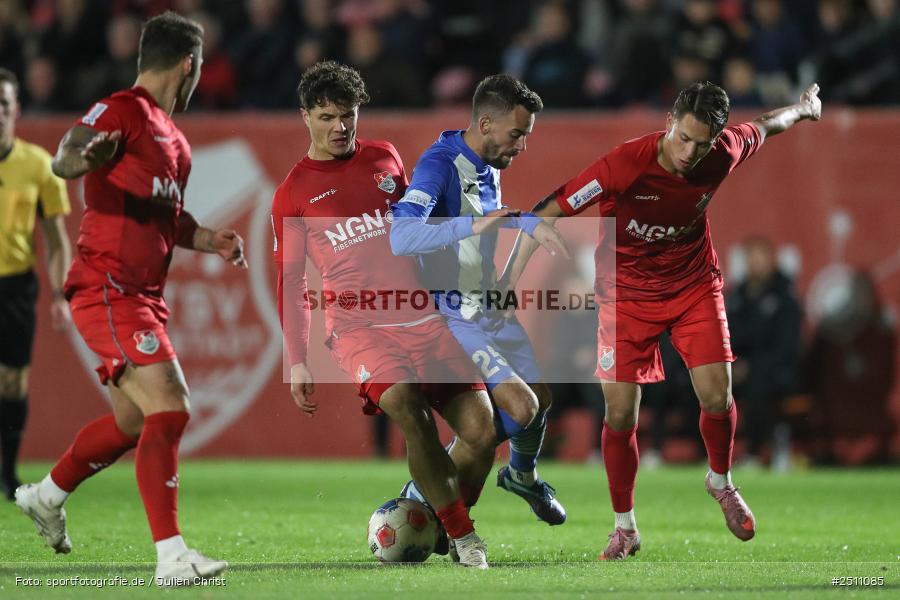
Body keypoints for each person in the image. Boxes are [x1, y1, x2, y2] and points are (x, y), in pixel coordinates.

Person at [503, 81, 822, 559]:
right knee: (619, 414)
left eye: (702, 143)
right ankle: (625, 527)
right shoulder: (624, 165)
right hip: (625, 296)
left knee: (718, 396)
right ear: (669, 122)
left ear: (717, 139)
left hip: (693, 287)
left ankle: (721, 481)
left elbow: (766, 125)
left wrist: (803, 109)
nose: (690, 153)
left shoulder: (724, 152)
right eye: (683, 138)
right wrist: (506, 281)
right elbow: (546, 210)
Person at [14, 12, 242, 586]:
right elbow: (67, 154)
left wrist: (207, 239)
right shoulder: (122, 110)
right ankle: (171, 557)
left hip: (141, 295)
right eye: (197, 69)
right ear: (189, 65)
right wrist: (82, 162)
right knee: (172, 404)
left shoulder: (177, 144)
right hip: (107, 288)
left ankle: (46, 495)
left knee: (132, 421)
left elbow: (168, 217)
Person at [271, 61, 495, 568]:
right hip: (359, 328)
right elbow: (291, 282)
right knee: (409, 408)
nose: (339, 127)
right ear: (305, 116)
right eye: (327, 117)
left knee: (483, 434)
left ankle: (435, 513)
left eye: (348, 115)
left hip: (423, 317)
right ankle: (464, 537)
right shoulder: (292, 194)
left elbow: (419, 229)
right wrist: (297, 360)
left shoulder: (385, 157)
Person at [390, 74, 569, 525]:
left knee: (540, 400)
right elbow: (402, 235)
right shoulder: (439, 164)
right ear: (485, 124)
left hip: (487, 307)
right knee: (519, 409)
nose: (522, 146)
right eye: (517, 134)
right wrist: (473, 226)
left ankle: (522, 477)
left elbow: (490, 223)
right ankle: (424, 488)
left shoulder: (489, 163)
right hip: (454, 311)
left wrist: (520, 237)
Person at [0, 68, 72, 500]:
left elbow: (57, 240)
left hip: (14, 286)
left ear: (17, 110)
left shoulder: (38, 165)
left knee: (13, 382)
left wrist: (61, 295)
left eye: (4, 104)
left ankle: (7, 472)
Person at [727, 236, 803, 467]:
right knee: (703, 382)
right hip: (739, 368)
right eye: (750, 258)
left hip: (776, 371)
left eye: (760, 258)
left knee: (757, 386)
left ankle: (754, 452)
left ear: (771, 261)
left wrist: (751, 366)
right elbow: (727, 335)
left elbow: (786, 345)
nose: (755, 264)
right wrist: (734, 363)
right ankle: (710, 454)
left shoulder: (785, 297)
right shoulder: (735, 297)